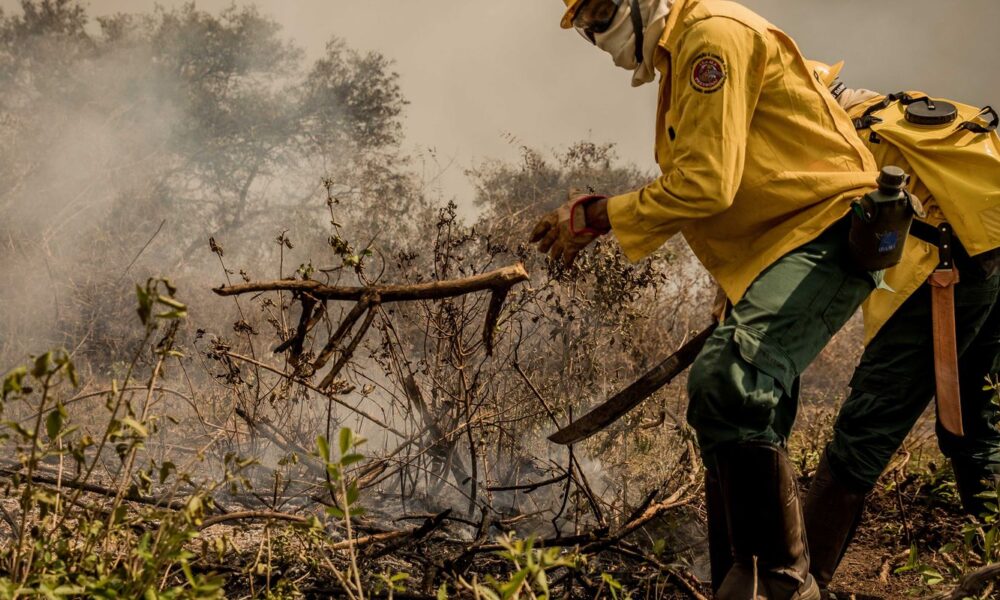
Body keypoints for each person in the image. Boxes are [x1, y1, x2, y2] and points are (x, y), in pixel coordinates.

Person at [530, 0, 881, 597]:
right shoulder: (681, 55)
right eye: (585, 24)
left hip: (825, 228)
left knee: (728, 382)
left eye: (602, 11)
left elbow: (707, 184)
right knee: (739, 410)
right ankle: (738, 579)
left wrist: (602, 215)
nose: (597, 32)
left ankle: (782, 586)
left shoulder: (710, 39)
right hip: (777, 245)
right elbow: (735, 186)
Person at [801, 61, 1000, 593]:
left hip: (943, 279)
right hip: (989, 263)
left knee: (865, 426)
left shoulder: (836, 138)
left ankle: (799, 581)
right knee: (974, 421)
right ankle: (993, 558)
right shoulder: (887, 108)